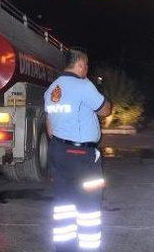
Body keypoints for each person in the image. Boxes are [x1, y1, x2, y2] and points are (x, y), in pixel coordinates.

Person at [44, 49, 112, 252]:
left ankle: (64, 248)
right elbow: (105, 110)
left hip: (58, 151)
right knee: (89, 207)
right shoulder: (84, 85)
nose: (87, 69)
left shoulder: (51, 89)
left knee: (64, 204)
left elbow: (50, 126)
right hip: (82, 157)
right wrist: (105, 98)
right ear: (81, 64)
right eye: (87, 65)